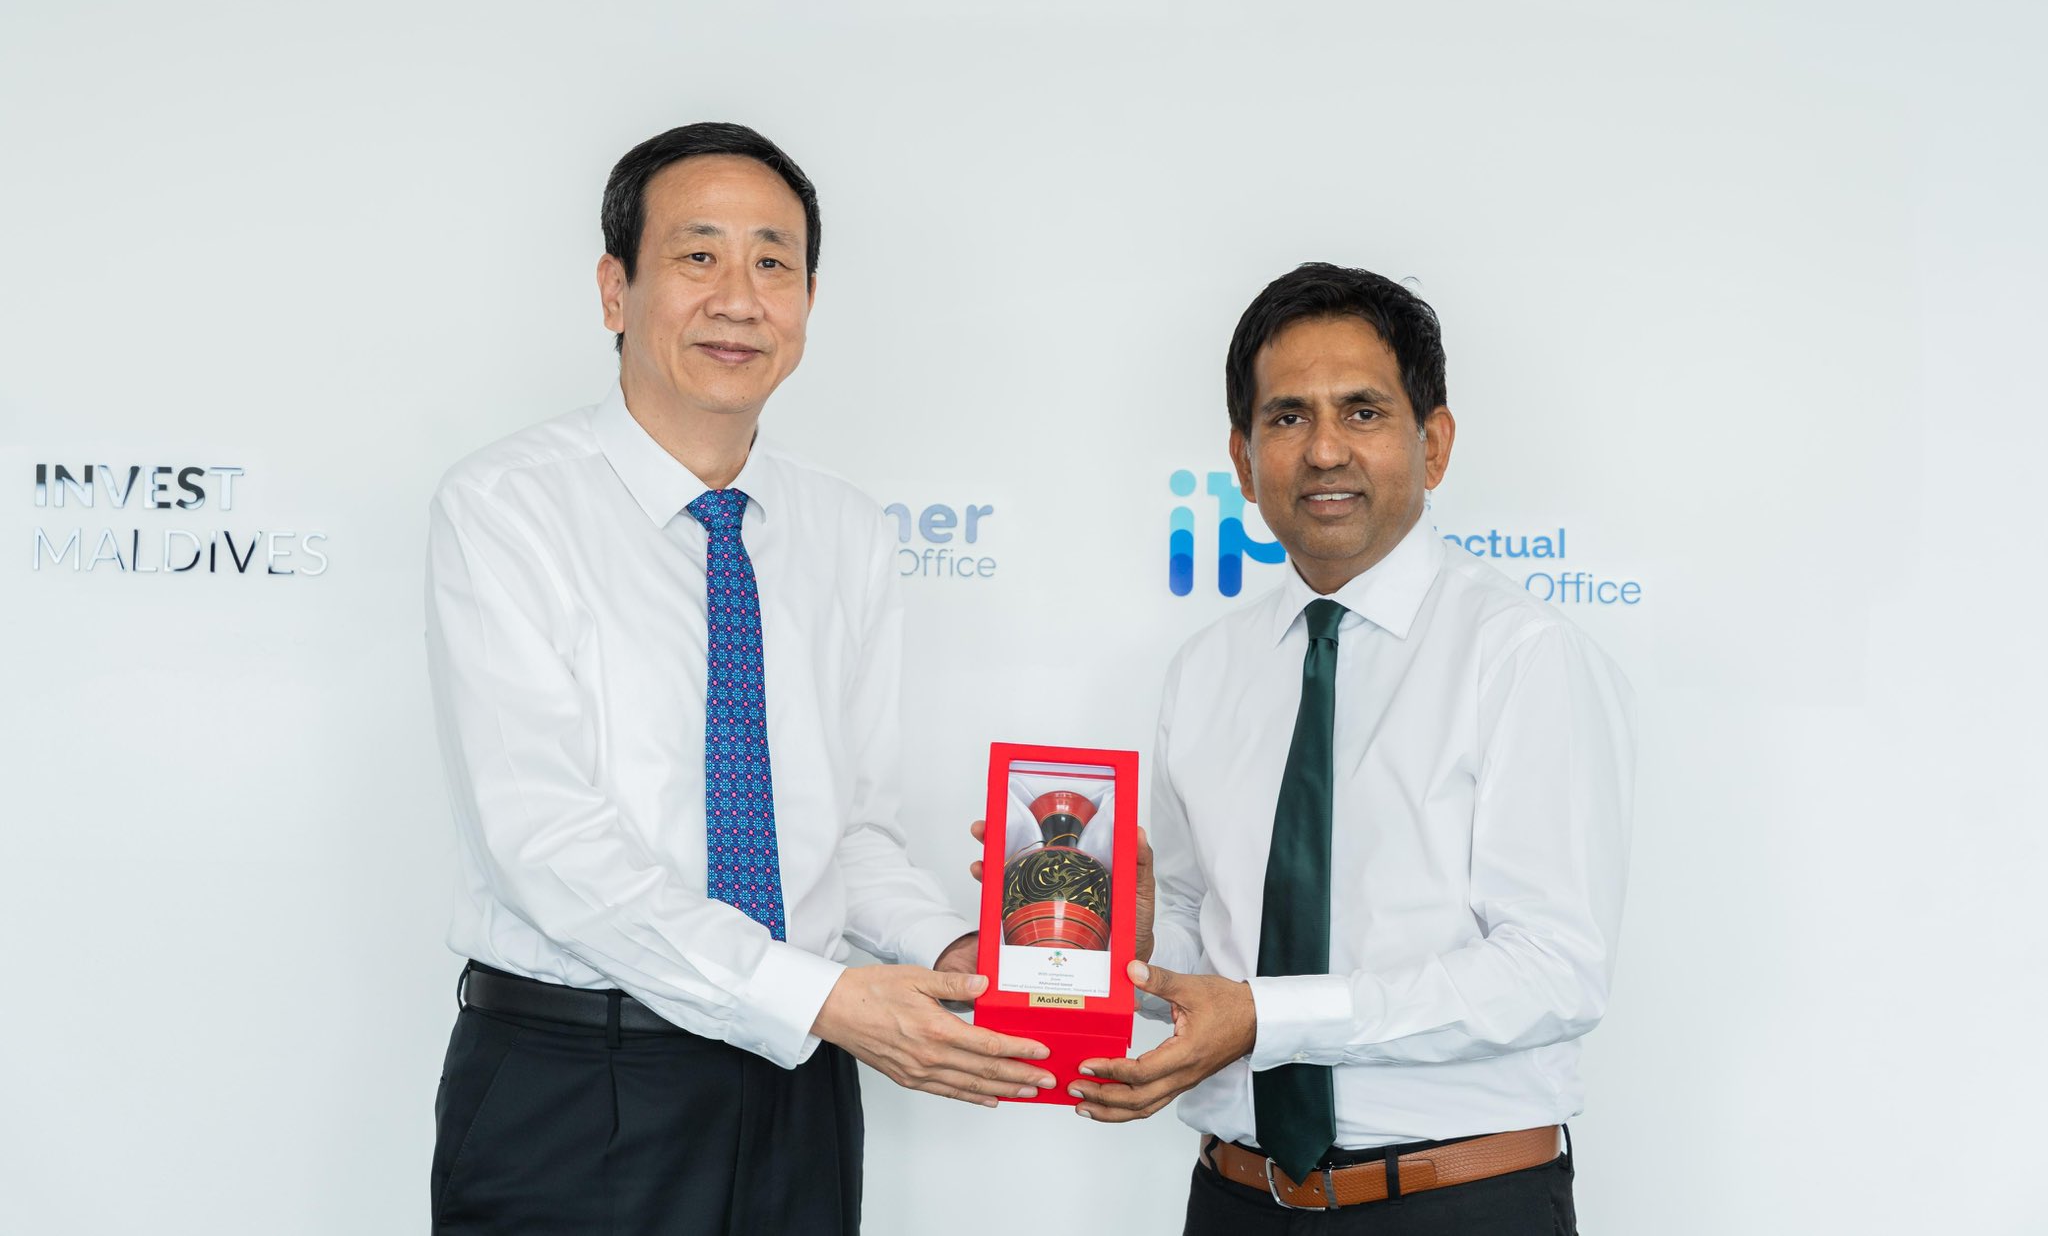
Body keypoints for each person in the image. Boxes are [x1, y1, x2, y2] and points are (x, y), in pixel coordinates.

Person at [423, 121, 1053, 1235]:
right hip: (579, 1082)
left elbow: (848, 836)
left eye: (774, 262)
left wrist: (953, 951)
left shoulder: (846, 530)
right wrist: (815, 995)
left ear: (807, 301)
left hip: (800, 1083)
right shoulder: (508, 508)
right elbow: (546, 842)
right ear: (615, 290)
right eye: (698, 254)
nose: (738, 298)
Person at [1071, 263, 1635, 1234]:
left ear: (1433, 442)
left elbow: (1552, 970)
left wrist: (1272, 1016)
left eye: (1362, 412)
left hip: (1458, 1205)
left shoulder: (1520, 655)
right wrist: (1133, 947)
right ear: (1243, 458)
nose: (1324, 449)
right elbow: (1204, 928)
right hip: (1237, 1200)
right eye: (1287, 417)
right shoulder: (1204, 670)